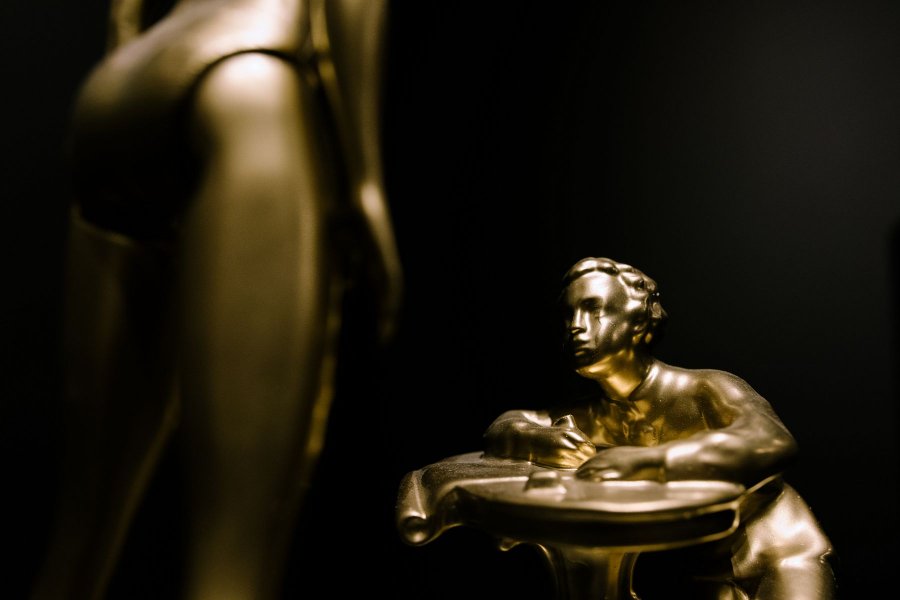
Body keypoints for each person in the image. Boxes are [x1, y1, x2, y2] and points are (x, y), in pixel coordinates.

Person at [32, 1, 400, 599]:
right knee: (232, 563)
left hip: (127, 79)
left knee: (76, 548)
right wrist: (365, 180)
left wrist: (124, 56)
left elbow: (125, 13)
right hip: (247, 73)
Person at [485, 257, 835, 599]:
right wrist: (538, 438)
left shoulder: (706, 388)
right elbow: (507, 424)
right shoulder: (588, 415)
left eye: (593, 309)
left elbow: (772, 441)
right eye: (568, 314)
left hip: (779, 556)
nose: (575, 325)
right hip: (697, 577)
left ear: (637, 319)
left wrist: (652, 462)